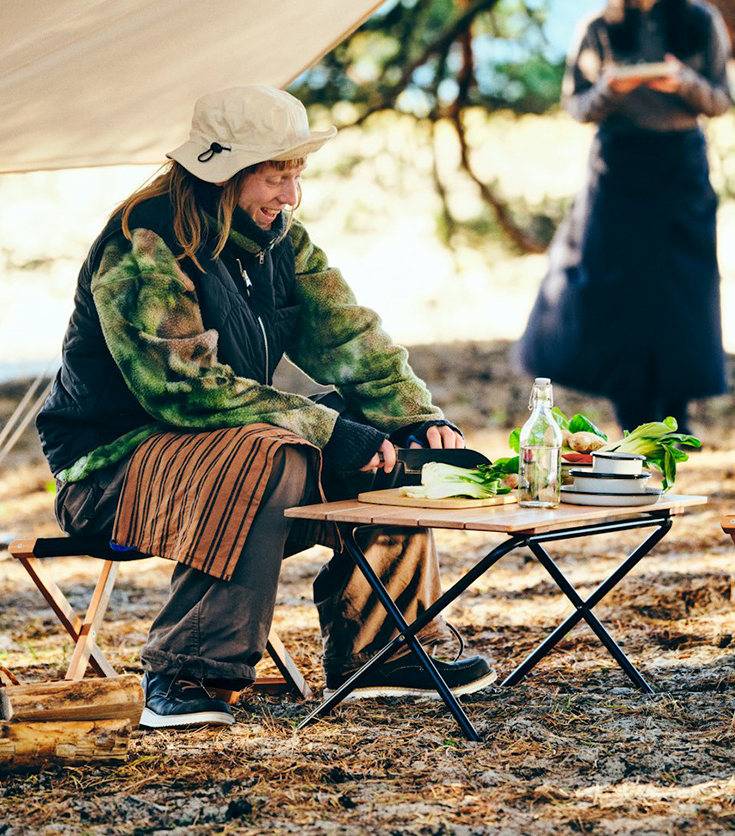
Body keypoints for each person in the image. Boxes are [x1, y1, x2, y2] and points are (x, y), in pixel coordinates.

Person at [37, 85, 495, 728]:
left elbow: (351, 339)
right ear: (222, 173)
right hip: (111, 473)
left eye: (297, 174)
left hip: (224, 456)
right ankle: (187, 668)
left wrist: (417, 417)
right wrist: (329, 431)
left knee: (397, 456)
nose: (291, 195)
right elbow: (182, 387)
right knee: (275, 453)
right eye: (276, 176)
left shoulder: (284, 239)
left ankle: (382, 649)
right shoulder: (144, 243)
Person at [515, 0, 732, 435]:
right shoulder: (597, 26)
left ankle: (675, 422)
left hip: (681, 168)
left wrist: (681, 83)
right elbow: (577, 106)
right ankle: (630, 420)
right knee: (614, 293)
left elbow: (721, 100)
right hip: (616, 170)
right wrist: (611, 89)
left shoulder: (701, 21)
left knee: (678, 293)